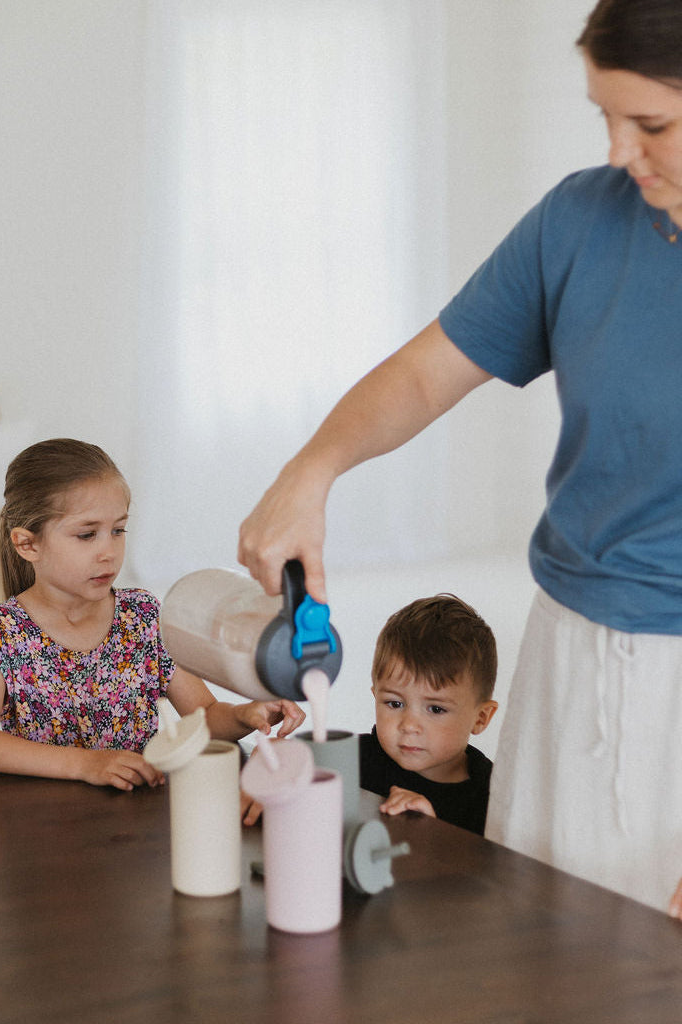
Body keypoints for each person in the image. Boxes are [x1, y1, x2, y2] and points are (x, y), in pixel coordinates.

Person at [238, 0, 682, 916]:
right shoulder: (581, 219)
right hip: (569, 643)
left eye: (651, 124)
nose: (619, 152)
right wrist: (310, 470)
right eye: (604, 115)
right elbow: (423, 375)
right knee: (537, 940)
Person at [0, 438, 304, 795]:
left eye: (118, 530)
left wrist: (244, 715)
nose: (108, 551)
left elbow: (203, 718)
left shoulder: (142, 616)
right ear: (28, 544)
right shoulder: (2, 631)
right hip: (43, 823)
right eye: (87, 534)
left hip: (138, 817)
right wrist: (86, 764)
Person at [360, 595, 498, 836]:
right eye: (394, 703)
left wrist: (432, 834)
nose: (409, 726)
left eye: (436, 709)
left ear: (480, 718)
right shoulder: (354, 759)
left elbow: (490, 871)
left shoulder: (493, 797)